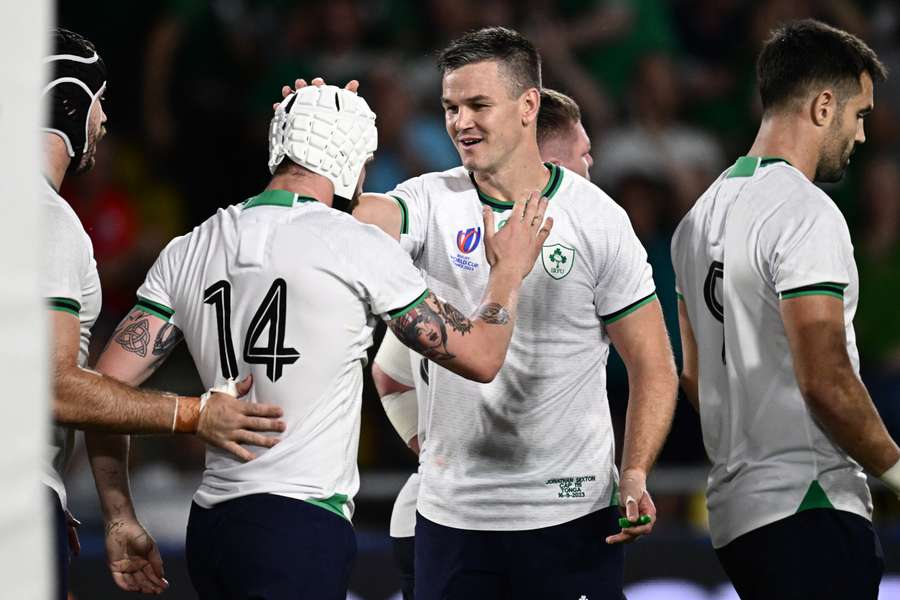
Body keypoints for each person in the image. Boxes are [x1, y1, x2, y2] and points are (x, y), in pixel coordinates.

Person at [91, 82, 552, 599]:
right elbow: (483, 356)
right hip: (298, 524)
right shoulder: (355, 245)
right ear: (351, 158)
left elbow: (100, 396)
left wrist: (117, 515)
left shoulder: (190, 246)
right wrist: (508, 274)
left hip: (212, 528)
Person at [353, 27, 677, 599]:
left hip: (571, 518)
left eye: (479, 105)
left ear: (529, 106)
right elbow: (362, 221)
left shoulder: (597, 218)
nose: (460, 122)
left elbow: (653, 363)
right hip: (453, 520)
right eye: (451, 107)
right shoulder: (429, 201)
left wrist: (633, 473)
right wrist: (329, 162)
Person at [41, 28, 286, 598]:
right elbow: (52, 386)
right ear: (71, 100)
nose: (104, 121)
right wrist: (193, 414)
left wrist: (110, 511)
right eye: (99, 101)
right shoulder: (42, 216)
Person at [671, 19, 897, 599]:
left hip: (736, 517)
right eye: (859, 115)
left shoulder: (696, 220)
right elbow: (825, 377)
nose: (863, 135)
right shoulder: (807, 211)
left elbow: (695, 376)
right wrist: (896, 471)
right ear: (824, 106)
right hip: (810, 503)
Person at [373, 87, 596, 600]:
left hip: (446, 511)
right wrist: (436, 451)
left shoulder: (453, 236)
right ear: (547, 161)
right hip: (492, 519)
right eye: (583, 156)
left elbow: (388, 372)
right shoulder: (469, 234)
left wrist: (428, 447)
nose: (590, 169)